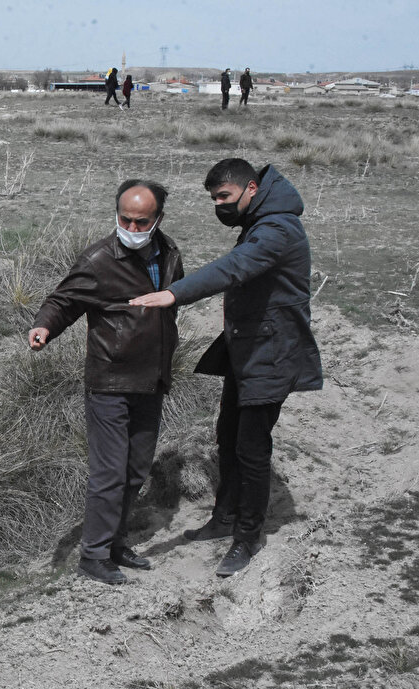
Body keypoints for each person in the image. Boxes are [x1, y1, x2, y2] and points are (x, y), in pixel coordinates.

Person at [129, 159, 322, 578]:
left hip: (272, 353)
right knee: (228, 435)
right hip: (250, 349)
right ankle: (225, 517)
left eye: (224, 197)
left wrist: (173, 294)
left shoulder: (277, 229)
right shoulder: (261, 219)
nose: (219, 205)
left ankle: (247, 537)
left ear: (251, 188)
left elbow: (234, 268)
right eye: (214, 198)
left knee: (252, 448)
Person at [29, 180, 184, 585]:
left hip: (151, 379)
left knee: (135, 471)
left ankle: (115, 542)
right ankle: (93, 556)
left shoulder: (170, 253)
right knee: (110, 473)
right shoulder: (99, 257)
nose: (132, 228)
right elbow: (64, 300)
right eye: (124, 219)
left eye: (141, 221)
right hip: (110, 380)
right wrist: (45, 327)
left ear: (158, 219)